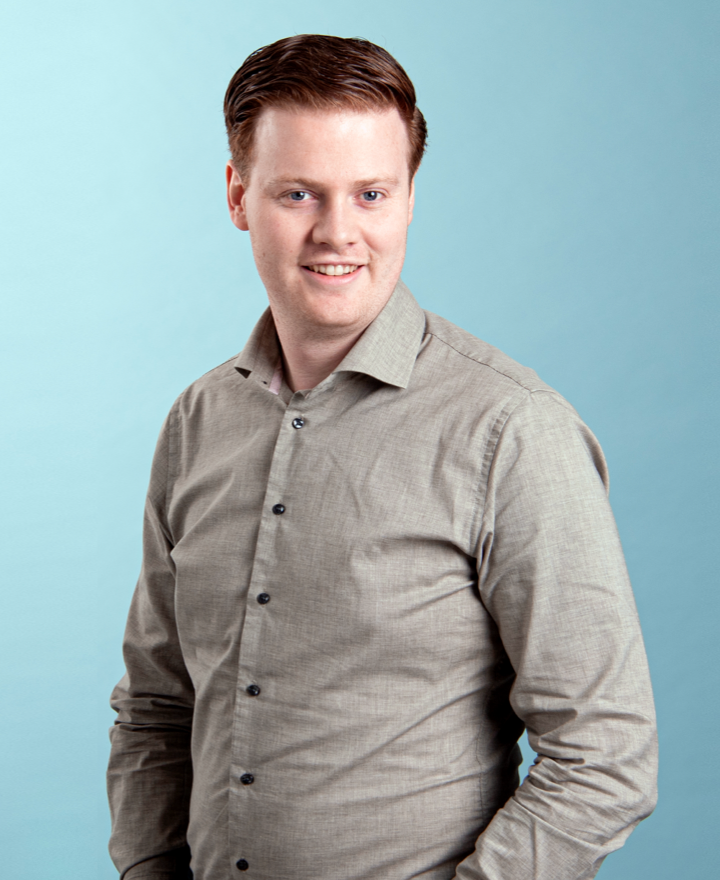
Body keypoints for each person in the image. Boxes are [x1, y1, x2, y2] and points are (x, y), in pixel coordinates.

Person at [107, 34, 657, 880]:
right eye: (298, 193)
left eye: (371, 193)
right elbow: (155, 708)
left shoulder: (513, 430)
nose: (339, 232)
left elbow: (605, 755)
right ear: (239, 195)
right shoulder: (198, 421)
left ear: (408, 200)